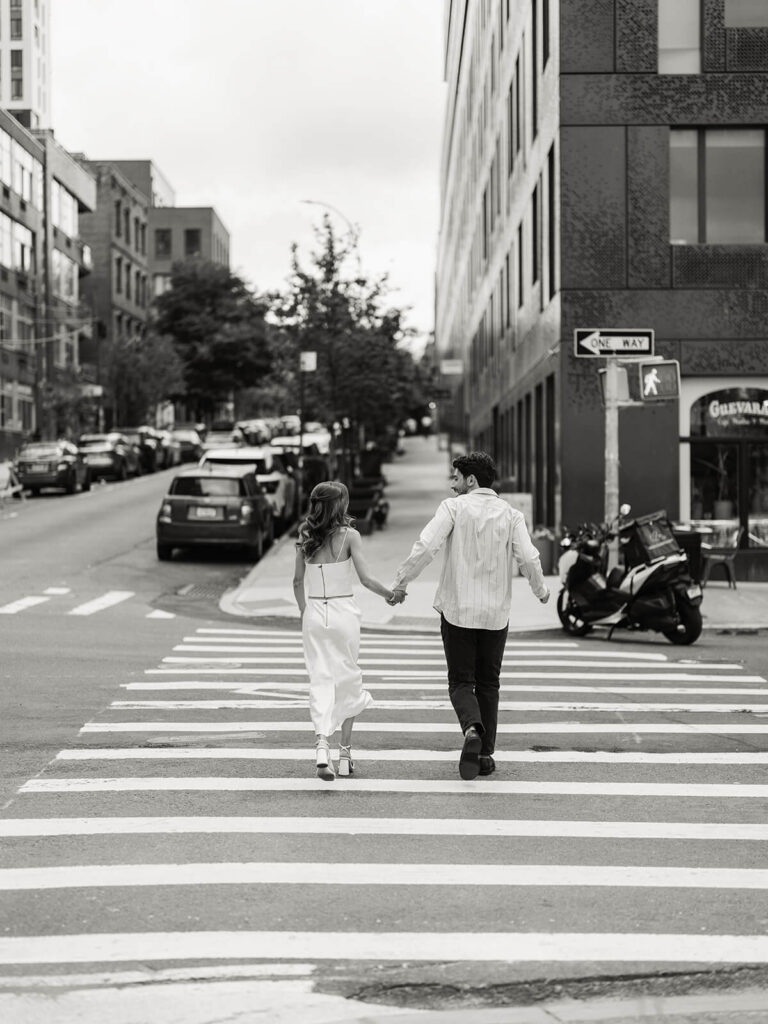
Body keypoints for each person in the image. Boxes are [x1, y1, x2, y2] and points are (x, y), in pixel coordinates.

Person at [388, 451, 550, 781]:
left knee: (462, 681)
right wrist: (541, 591)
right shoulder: (512, 515)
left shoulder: (453, 508)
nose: (453, 485)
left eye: (456, 478)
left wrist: (401, 582)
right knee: (489, 683)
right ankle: (486, 754)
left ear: (470, 480)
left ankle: (472, 729)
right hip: (495, 615)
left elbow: (426, 546)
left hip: (458, 611)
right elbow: (529, 559)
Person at [293, 481, 396, 781]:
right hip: (343, 614)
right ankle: (345, 754)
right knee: (348, 679)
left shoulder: (305, 534)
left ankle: (321, 746)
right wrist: (390, 594)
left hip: (314, 612)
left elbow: (297, 583)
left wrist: (306, 612)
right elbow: (366, 579)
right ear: (340, 505)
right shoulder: (350, 536)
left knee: (320, 679)